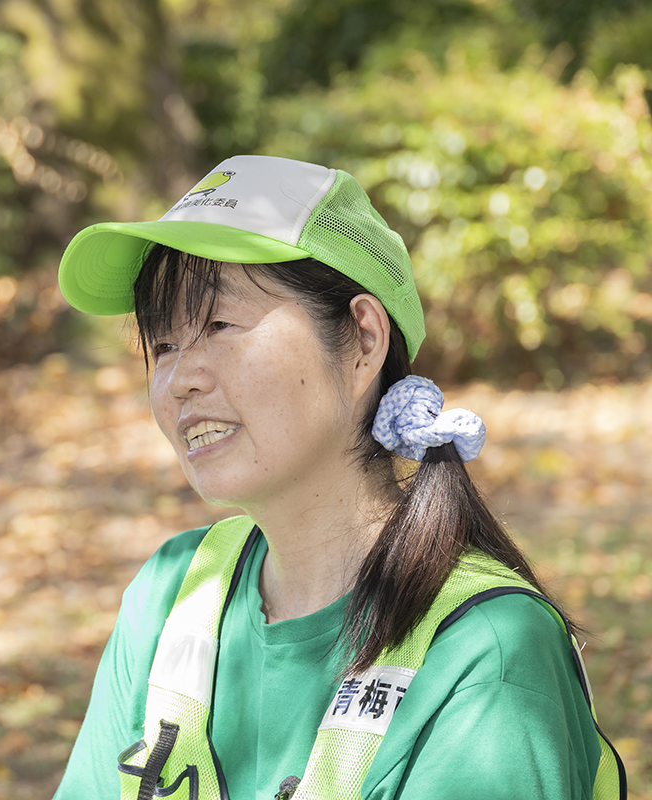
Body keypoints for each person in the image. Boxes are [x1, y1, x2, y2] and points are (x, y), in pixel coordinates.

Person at [52, 156, 624, 799]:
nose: (181, 377)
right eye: (161, 345)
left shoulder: (486, 652)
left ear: (362, 339)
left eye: (218, 324)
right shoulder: (169, 599)